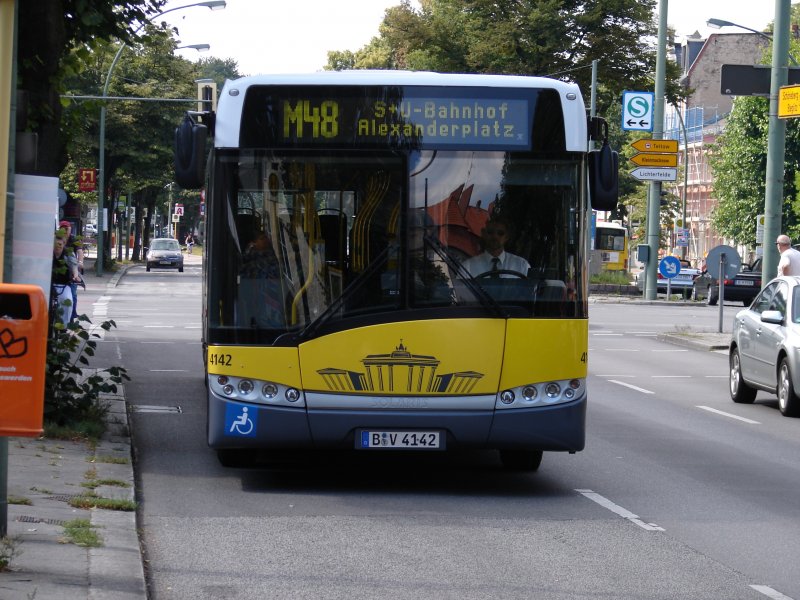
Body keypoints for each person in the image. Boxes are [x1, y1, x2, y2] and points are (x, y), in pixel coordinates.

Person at [462, 216, 531, 278]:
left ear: (507, 237)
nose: (495, 236)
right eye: (490, 232)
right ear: (483, 234)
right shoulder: (467, 267)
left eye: (500, 233)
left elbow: (531, 291)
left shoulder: (522, 266)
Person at [52, 234, 80, 328]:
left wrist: (75, 276)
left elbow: (74, 266)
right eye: (56, 244)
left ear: (64, 244)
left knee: (68, 302)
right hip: (50, 284)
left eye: (60, 244)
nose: (58, 246)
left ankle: (63, 326)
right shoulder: (48, 253)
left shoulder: (68, 253)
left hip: (64, 284)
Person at [58, 220, 84, 319]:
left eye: (67, 229)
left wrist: (80, 263)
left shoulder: (73, 239)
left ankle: (72, 315)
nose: (65, 232)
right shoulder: (55, 239)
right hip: (58, 270)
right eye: (62, 229)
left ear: (70, 230)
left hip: (70, 270)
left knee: (72, 294)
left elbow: (79, 252)